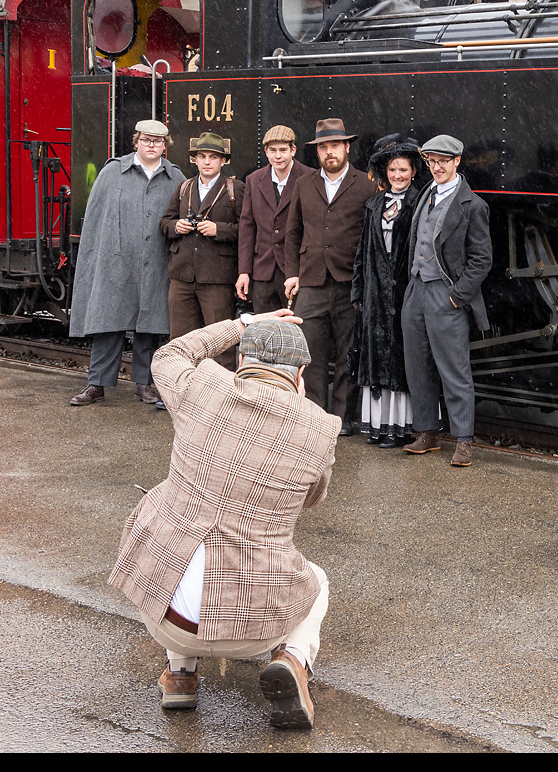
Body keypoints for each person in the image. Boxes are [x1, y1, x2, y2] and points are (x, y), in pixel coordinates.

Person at [109, 311, 336, 729]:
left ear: (241, 360)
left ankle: (181, 674)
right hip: (253, 632)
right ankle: (292, 660)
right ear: (301, 374)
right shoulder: (320, 428)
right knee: (316, 581)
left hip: (165, 617)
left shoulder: (201, 387)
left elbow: (171, 353)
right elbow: (313, 498)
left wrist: (241, 324)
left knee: (173, 505)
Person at [67, 120, 185, 406]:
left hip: (156, 261)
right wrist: (95, 260)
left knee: (150, 326)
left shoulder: (176, 178)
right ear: (136, 142)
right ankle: (96, 384)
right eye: (146, 140)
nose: (151, 145)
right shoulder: (112, 172)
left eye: (157, 141)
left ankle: (144, 384)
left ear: (165, 145)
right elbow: (95, 221)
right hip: (115, 263)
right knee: (108, 323)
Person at [401, 134, 492, 467]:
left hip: (445, 292)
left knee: (454, 369)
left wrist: (456, 297)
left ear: (457, 162)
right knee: (418, 367)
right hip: (417, 290)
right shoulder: (425, 195)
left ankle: (464, 440)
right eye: (431, 162)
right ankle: (428, 433)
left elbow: (482, 260)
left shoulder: (473, 205)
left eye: (442, 161)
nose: (436, 167)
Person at [283, 118, 372, 437]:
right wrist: (292, 274)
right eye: (323, 147)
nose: (329, 152)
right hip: (311, 281)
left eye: (335, 145)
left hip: (350, 283)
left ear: (347, 147)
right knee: (310, 354)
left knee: (349, 353)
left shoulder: (366, 185)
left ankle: (343, 417)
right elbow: (292, 233)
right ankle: (315, 414)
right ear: (317, 151)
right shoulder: (303, 184)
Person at [350, 135, 428, 448]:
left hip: (403, 292)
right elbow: (363, 250)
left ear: (413, 172)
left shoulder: (419, 203)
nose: (398, 175)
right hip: (375, 294)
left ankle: (401, 427)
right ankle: (378, 426)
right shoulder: (374, 205)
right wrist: (359, 290)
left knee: (400, 358)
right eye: (393, 170)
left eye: (403, 170)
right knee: (374, 357)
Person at [161, 132, 242, 372]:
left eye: (213, 157)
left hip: (217, 278)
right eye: (202, 156)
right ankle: (179, 387)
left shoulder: (235, 189)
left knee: (220, 343)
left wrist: (220, 229)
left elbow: (247, 230)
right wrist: (176, 226)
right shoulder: (184, 187)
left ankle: (222, 391)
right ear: (195, 159)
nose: (207, 162)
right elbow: (164, 223)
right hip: (182, 276)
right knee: (180, 342)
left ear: (223, 161)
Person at [237, 125, 315, 314]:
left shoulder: (310, 177)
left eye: (283, 150)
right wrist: (244, 271)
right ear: (266, 152)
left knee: (296, 326)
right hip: (263, 271)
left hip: (297, 271)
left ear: (293, 150)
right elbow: (247, 227)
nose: (278, 156)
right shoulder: (254, 180)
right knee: (266, 328)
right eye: (272, 150)